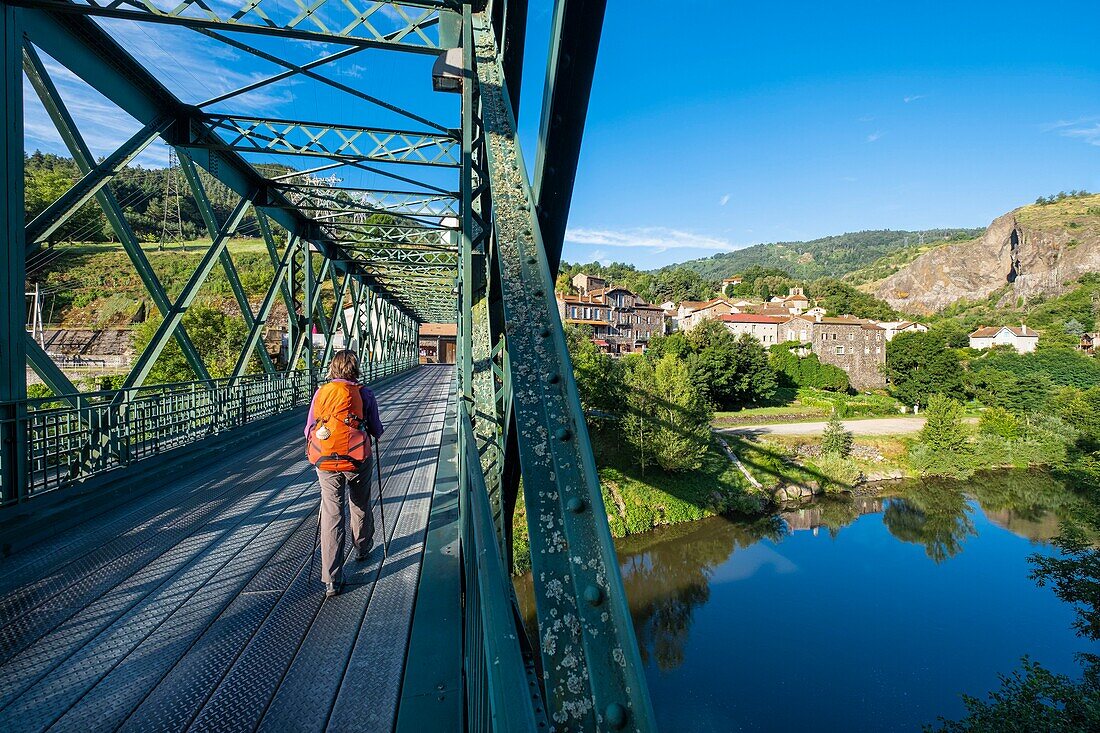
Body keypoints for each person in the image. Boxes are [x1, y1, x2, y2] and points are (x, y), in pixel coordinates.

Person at [304, 350, 384, 598]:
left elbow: (309, 428)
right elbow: (377, 429)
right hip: (357, 459)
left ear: (333, 369)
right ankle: (362, 548)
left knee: (332, 513)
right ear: (355, 369)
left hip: (326, 461)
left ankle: (331, 578)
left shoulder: (321, 393)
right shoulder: (364, 393)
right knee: (360, 503)